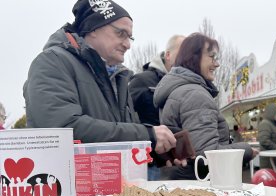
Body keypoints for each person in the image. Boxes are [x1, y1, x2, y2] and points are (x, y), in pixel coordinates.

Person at [23, 0, 177, 158]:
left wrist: (157, 154)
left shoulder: (118, 77)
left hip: (110, 180)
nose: (127, 45)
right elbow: (63, 130)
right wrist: (147, 136)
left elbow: (119, 136)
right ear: (93, 28)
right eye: (121, 33)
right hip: (67, 181)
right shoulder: (52, 62)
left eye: (129, 38)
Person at [154, 33, 258, 180]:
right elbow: (205, 155)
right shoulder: (194, 94)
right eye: (212, 57)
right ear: (194, 57)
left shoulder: (180, 90)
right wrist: (246, 150)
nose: (216, 64)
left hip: (181, 181)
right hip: (198, 186)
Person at [128, 35, 185, 180]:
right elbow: (126, 118)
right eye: (182, 53)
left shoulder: (184, 85)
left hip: (176, 161)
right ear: (168, 55)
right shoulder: (141, 81)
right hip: (148, 164)